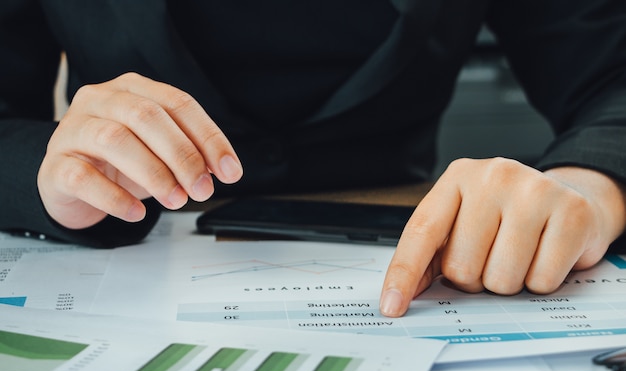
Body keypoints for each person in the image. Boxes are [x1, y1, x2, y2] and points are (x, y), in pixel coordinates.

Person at [1, 1, 626, 319]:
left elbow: (611, 75)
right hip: (118, 266)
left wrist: (587, 185)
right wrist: (43, 173)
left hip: (420, 251)